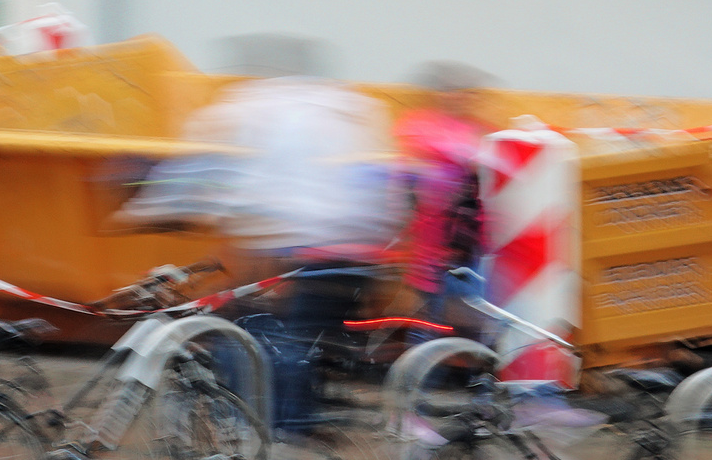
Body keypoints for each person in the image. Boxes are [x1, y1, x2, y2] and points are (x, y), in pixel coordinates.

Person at [113, 35, 404, 436]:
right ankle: (299, 411)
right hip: (363, 250)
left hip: (306, 244)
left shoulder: (249, 107)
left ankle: (276, 430)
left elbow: (196, 173)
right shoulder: (348, 105)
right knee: (300, 328)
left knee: (255, 327)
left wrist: (140, 212)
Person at [392, 61, 497, 344]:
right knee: (431, 310)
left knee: (470, 306)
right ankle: (423, 373)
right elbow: (425, 165)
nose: (461, 98)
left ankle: (465, 370)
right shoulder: (420, 125)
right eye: (455, 91)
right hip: (435, 235)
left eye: (468, 92)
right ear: (439, 94)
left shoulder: (479, 130)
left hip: (470, 236)